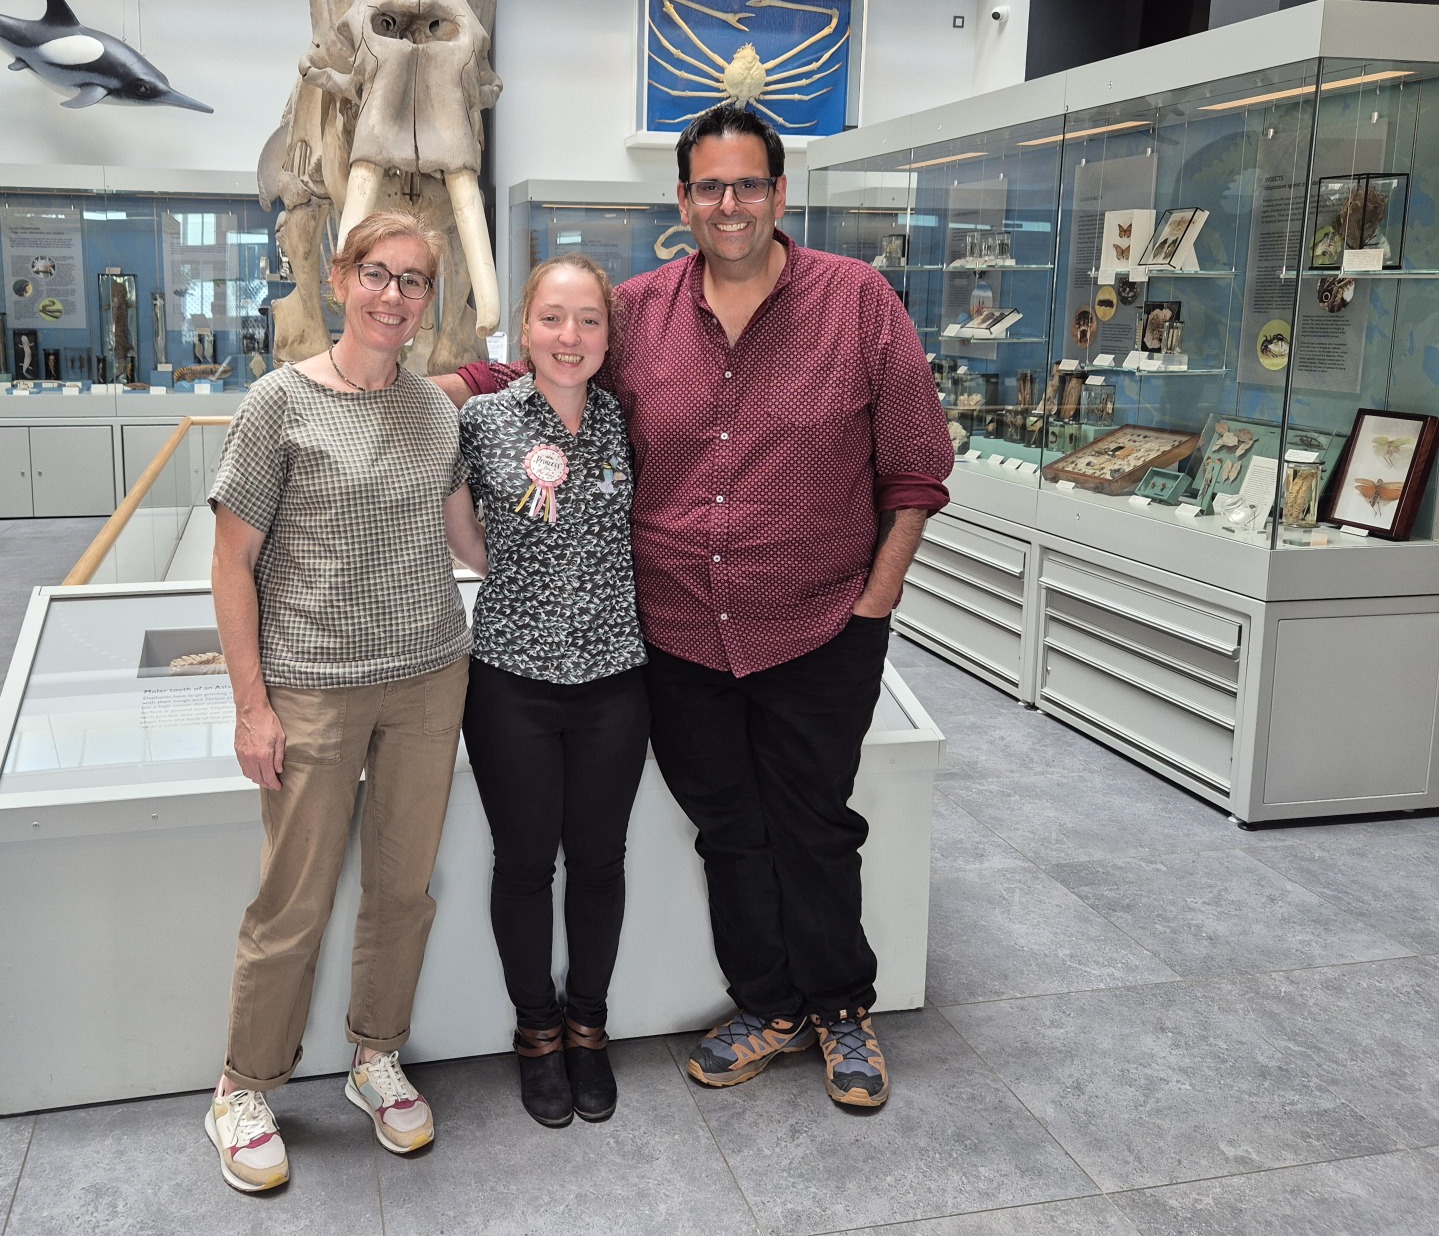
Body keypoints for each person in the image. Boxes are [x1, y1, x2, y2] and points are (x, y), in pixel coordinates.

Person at [440, 104, 953, 1109]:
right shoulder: (639, 311)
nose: (730, 204)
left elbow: (915, 467)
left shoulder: (856, 303)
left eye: (748, 184)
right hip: (677, 633)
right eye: (709, 186)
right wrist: (387, 384)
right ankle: (768, 1005)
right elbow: (540, 362)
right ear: (682, 200)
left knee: (814, 824)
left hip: (818, 624)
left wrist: (876, 598)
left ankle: (841, 1008)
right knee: (728, 830)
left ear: (778, 193)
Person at [204, 209, 489, 1193]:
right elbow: (231, 563)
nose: (393, 296)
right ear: (338, 279)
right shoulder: (277, 404)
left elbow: (467, 541)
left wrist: (567, 536)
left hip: (427, 680)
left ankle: (377, 1056)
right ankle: (243, 1086)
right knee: (294, 901)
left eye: (414, 281)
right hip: (312, 688)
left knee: (403, 890)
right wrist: (251, 706)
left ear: (428, 300)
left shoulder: (434, 415)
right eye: (377, 273)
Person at [457, 253, 648, 1129]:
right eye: (552, 318)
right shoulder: (482, 420)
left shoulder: (628, 420)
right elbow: (463, 531)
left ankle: (587, 1027)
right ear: (525, 329)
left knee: (601, 861)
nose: (570, 337)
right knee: (526, 863)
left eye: (588, 321)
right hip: (511, 680)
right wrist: (516, 577)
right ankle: (537, 1031)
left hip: (614, 679)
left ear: (609, 334)